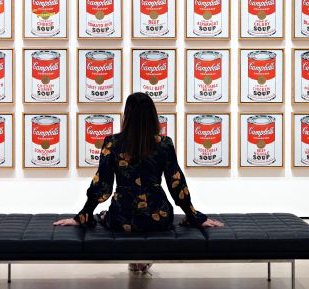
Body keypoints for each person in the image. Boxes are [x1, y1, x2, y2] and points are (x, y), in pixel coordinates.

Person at [54, 92, 224, 272]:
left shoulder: (112, 143)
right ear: (152, 116)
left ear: (127, 115)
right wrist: (194, 216)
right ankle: (142, 258)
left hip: (123, 217)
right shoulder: (164, 143)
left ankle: (135, 257)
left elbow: (102, 185)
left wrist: (82, 215)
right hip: (158, 217)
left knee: (103, 216)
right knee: (146, 217)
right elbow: (177, 183)